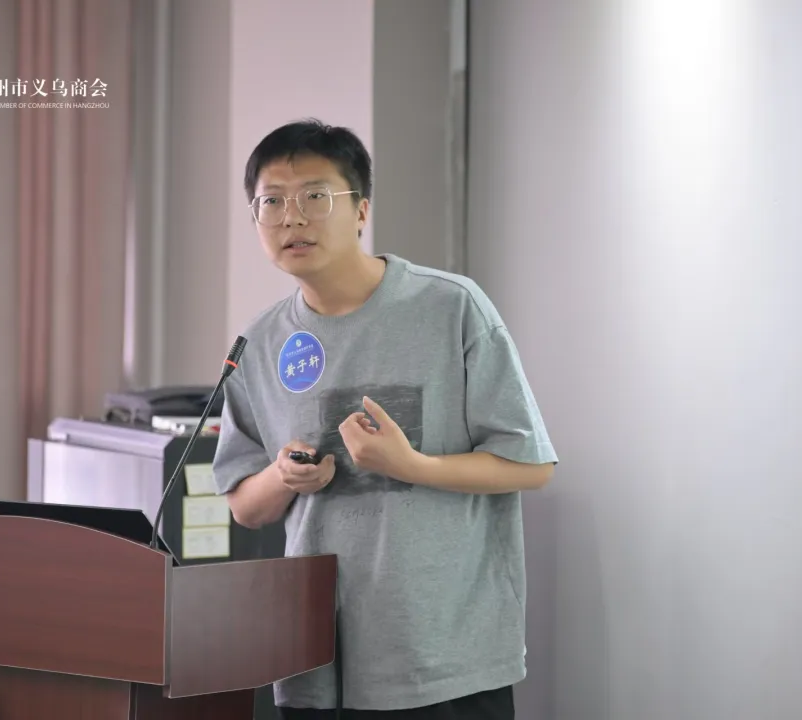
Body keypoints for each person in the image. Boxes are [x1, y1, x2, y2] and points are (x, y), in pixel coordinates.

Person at [212, 119, 557, 720]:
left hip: (441, 654)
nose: (293, 218)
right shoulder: (259, 342)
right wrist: (284, 477)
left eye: (315, 196)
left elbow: (530, 466)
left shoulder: (450, 306)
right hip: (316, 658)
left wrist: (411, 465)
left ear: (362, 210)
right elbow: (245, 505)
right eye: (272, 202)